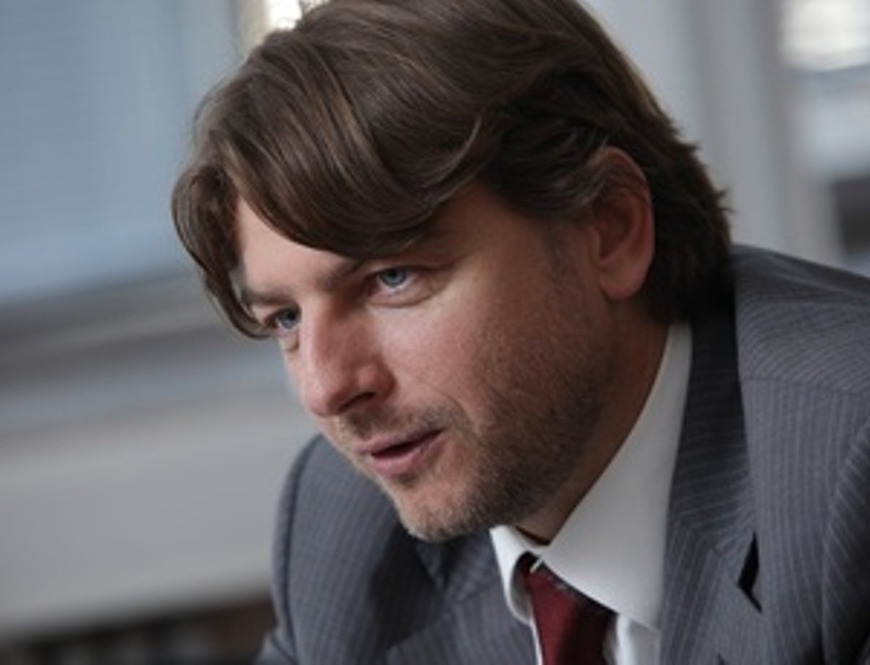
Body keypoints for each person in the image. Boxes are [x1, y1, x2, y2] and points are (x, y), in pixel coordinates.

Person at [171, 0, 870, 662]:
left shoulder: (847, 465)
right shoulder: (347, 530)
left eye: (393, 278)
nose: (326, 389)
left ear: (609, 228)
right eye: (286, 318)